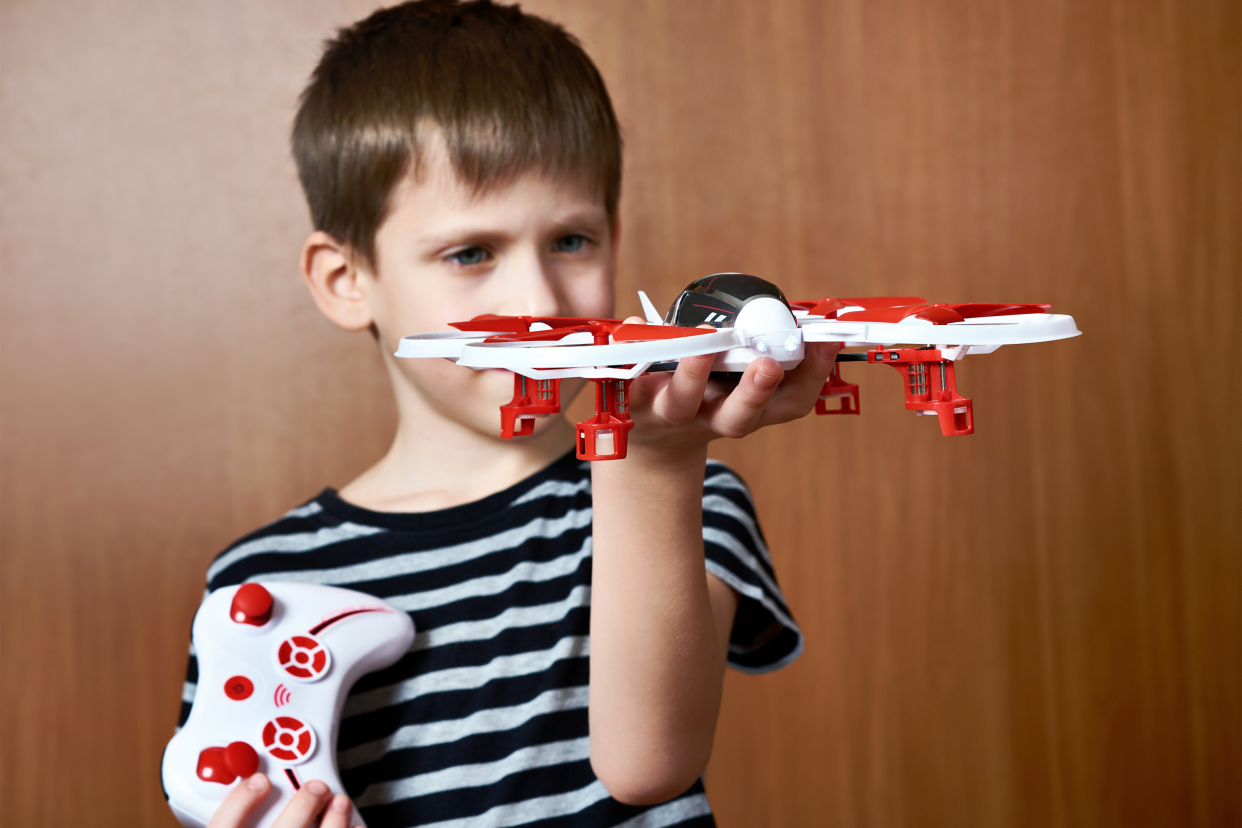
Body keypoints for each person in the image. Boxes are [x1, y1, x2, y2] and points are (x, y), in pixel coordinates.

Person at [174, 2, 840, 826]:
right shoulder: (262, 583)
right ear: (346, 280)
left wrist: (654, 465)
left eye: (571, 241)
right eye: (470, 253)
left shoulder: (686, 496)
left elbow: (646, 769)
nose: (540, 302)